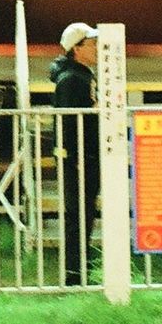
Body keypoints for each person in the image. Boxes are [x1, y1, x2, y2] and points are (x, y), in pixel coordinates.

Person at [50, 21, 102, 287]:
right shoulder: (72, 80)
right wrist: (76, 157)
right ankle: (74, 275)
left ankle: (79, 270)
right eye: (92, 44)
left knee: (83, 215)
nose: (96, 48)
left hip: (83, 157)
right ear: (77, 49)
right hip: (79, 159)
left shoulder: (81, 76)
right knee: (78, 216)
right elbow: (69, 124)